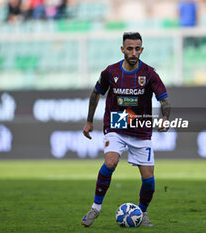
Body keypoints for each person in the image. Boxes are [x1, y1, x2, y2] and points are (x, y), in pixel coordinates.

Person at [81, 32, 170, 227]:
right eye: (129, 48)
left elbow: (164, 99)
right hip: (117, 124)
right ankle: (95, 208)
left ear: (142, 50)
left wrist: (165, 118)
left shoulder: (149, 74)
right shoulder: (110, 72)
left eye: (137, 49)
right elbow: (96, 93)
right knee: (111, 162)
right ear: (122, 49)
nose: (133, 52)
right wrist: (89, 121)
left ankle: (143, 213)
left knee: (149, 181)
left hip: (140, 128)